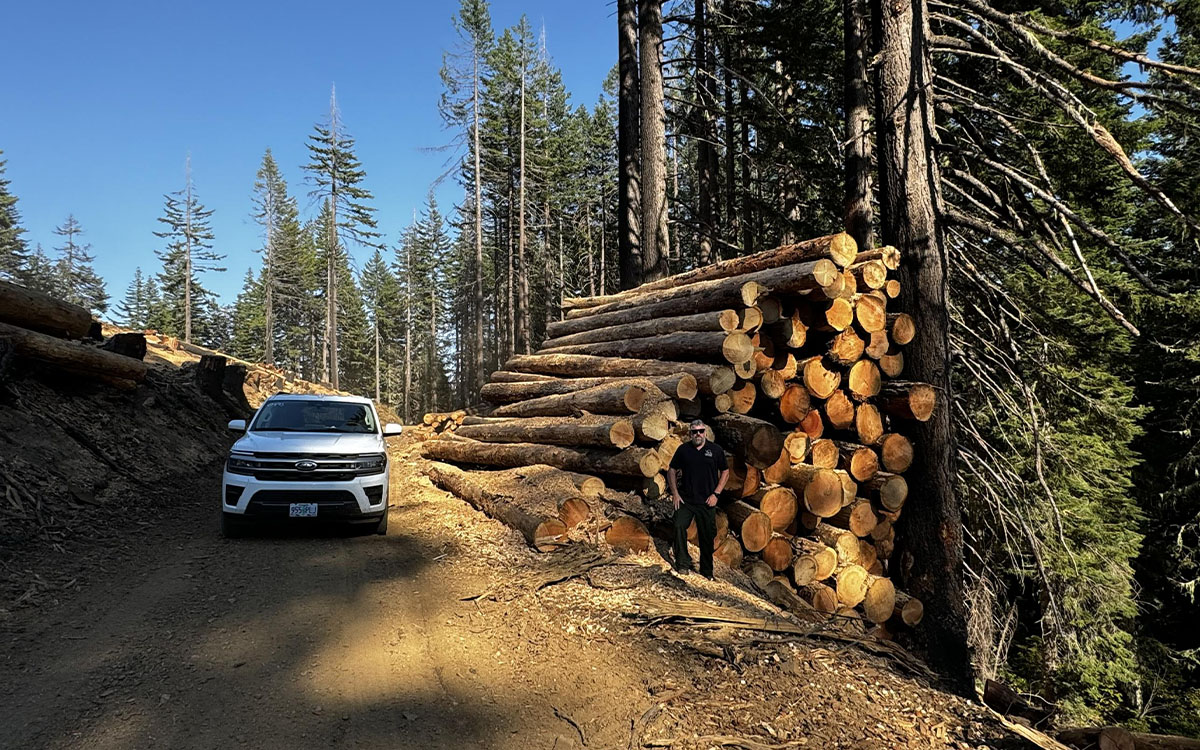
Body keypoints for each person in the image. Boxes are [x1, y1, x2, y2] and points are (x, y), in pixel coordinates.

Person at [667, 419, 729, 578]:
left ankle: (707, 572)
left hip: (707, 501)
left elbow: (725, 472)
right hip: (686, 500)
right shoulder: (683, 450)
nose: (698, 434)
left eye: (701, 431)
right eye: (694, 432)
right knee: (679, 525)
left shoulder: (715, 450)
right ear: (690, 434)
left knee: (707, 536)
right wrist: (675, 493)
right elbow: (672, 469)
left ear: (705, 433)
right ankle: (682, 564)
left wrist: (716, 494)